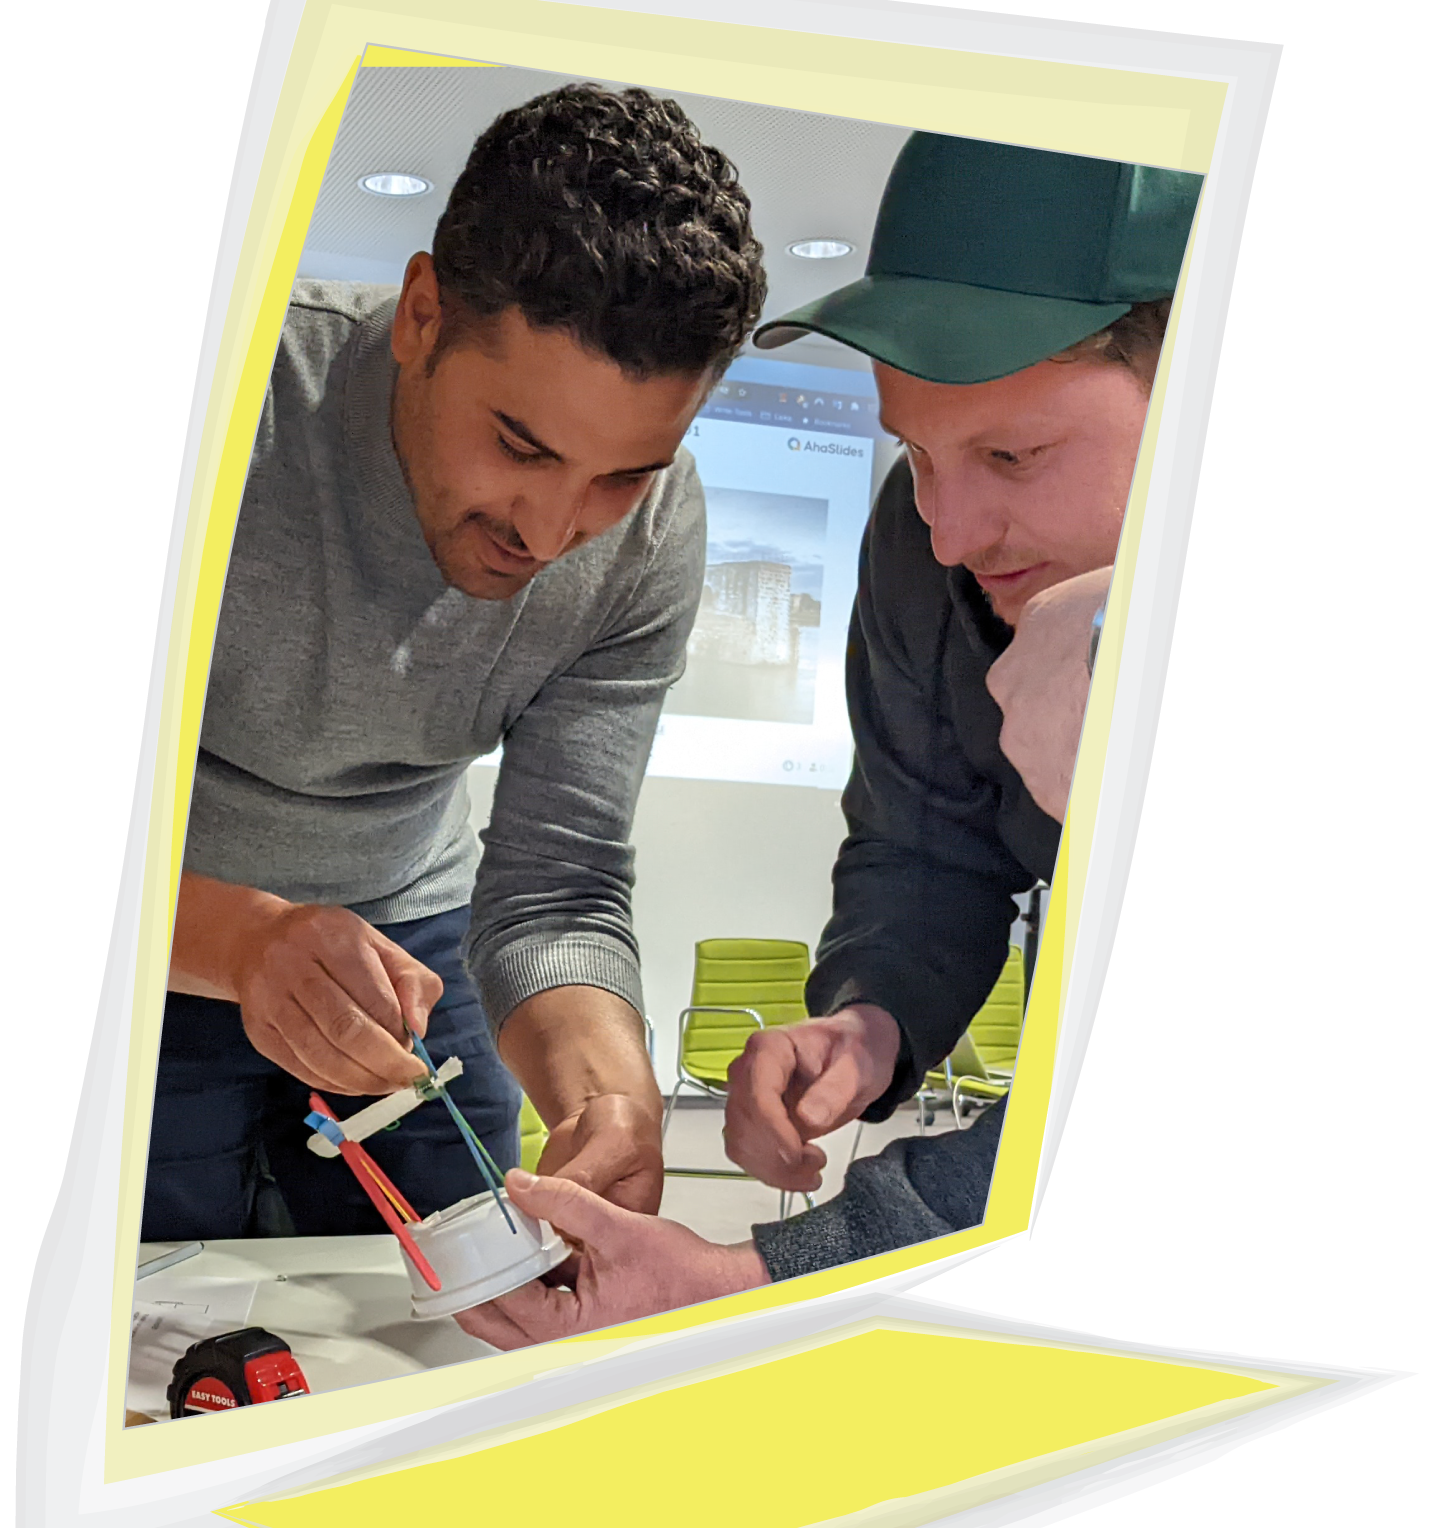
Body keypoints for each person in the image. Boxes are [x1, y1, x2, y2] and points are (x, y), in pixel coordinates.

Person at [453, 130, 1201, 1346]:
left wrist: (763, 1275)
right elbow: (923, 845)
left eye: (1012, 453)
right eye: (914, 451)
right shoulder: (921, 544)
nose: (950, 530)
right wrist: (874, 1014)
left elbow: (1157, 1134)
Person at [144, 84, 767, 1243]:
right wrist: (237, 942)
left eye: (622, 473)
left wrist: (611, 1095)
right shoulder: (231, 411)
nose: (552, 529)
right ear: (422, 312)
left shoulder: (654, 534)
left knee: (477, 1293)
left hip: (417, 938)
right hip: (162, 925)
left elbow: (557, 880)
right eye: (518, 444)